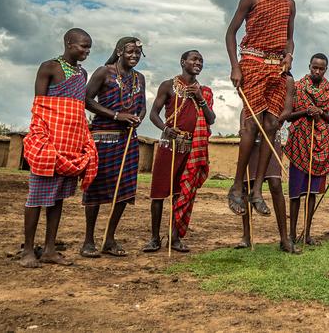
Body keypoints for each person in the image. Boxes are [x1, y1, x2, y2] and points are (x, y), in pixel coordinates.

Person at [19, 28, 99, 268]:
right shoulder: (49, 67)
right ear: (68, 43)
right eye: (82, 46)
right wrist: (40, 139)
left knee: (58, 199)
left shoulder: (82, 73)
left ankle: (50, 248)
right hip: (50, 143)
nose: (86, 51)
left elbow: (77, 108)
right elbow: (40, 106)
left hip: (71, 144)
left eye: (89, 48)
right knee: (36, 198)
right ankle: (28, 250)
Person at [225, 0, 296, 219]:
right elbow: (230, 33)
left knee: (272, 125)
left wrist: (289, 56)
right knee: (252, 124)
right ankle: (235, 186)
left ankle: (257, 190)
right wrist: (235, 66)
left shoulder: (290, 4)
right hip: (252, 63)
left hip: (277, 68)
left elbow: (290, 40)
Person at [80, 36, 146, 258]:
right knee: (96, 188)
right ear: (119, 51)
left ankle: (109, 238)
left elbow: (142, 107)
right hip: (103, 137)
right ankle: (88, 240)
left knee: (124, 190)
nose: (134, 56)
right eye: (130, 52)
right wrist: (117, 115)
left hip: (128, 138)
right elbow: (86, 100)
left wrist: (138, 118)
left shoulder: (140, 78)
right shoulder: (103, 72)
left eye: (138, 53)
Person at [143, 50, 215, 253]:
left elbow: (210, 119)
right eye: (194, 59)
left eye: (201, 60)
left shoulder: (205, 91)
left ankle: (174, 238)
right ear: (183, 62)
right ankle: (154, 238)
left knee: (181, 194)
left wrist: (200, 98)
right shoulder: (168, 86)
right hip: (169, 145)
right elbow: (153, 114)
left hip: (191, 148)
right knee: (158, 194)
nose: (198, 62)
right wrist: (166, 129)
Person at [235, 74, 296, 253]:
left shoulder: (287, 79)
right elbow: (246, 107)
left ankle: (284, 239)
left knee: (275, 184)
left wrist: (272, 124)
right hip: (252, 134)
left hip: (271, 133)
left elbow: (287, 109)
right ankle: (246, 236)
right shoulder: (260, 71)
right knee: (248, 185)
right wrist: (245, 128)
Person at [283, 53, 329, 247]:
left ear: (326, 69)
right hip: (300, 141)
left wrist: (320, 112)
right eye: (314, 67)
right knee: (296, 193)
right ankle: (291, 234)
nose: (317, 71)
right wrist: (306, 111)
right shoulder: (297, 87)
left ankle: (307, 234)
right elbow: (288, 116)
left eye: (321, 68)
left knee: (312, 193)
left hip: (320, 142)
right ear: (309, 66)